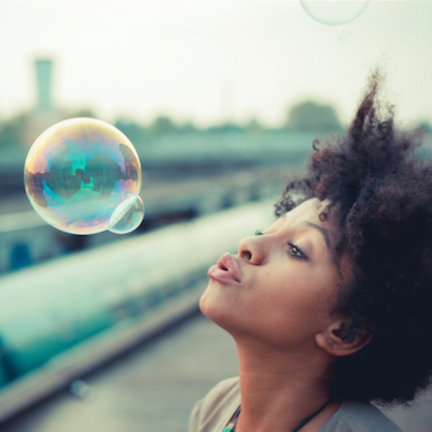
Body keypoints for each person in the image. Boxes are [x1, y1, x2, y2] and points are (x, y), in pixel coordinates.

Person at [189, 69, 432, 432]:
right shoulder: (215, 408)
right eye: (264, 231)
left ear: (345, 331)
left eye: (295, 250)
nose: (249, 245)